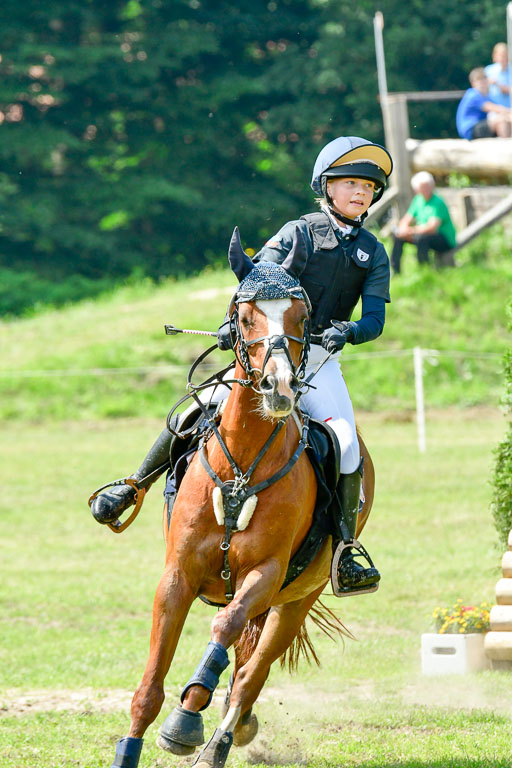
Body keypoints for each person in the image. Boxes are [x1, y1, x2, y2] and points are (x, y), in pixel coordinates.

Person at [90, 136, 393, 597]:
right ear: (327, 188)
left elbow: (374, 318)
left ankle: (345, 549)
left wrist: (346, 333)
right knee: (192, 410)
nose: (359, 193)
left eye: (368, 188)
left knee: (347, 444)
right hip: (264, 354)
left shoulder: (373, 251)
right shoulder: (298, 233)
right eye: (349, 183)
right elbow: (251, 284)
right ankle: (134, 486)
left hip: (318, 360)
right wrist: (230, 327)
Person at [390, 171, 456, 274]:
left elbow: (432, 228)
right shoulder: (418, 200)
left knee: (422, 239)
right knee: (398, 236)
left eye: (427, 186)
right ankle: (395, 270)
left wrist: (411, 231)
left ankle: (424, 271)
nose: (425, 190)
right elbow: (406, 219)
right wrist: (403, 229)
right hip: (422, 233)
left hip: (444, 238)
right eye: (422, 187)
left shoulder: (438, 202)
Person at [456, 67, 511, 139]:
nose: (481, 83)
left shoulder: (486, 97)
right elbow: (493, 108)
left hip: (480, 125)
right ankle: (506, 146)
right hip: (471, 129)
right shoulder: (473, 94)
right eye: (478, 80)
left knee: (506, 118)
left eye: (483, 79)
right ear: (472, 83)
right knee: (502, 121)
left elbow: (500, 110)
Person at [485, 42, 511, 108]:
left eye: (505, 55)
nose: (503, 58)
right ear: (495, 55)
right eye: (501, 55)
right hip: (494, 109)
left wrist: (498, 85)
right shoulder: (488, 70)